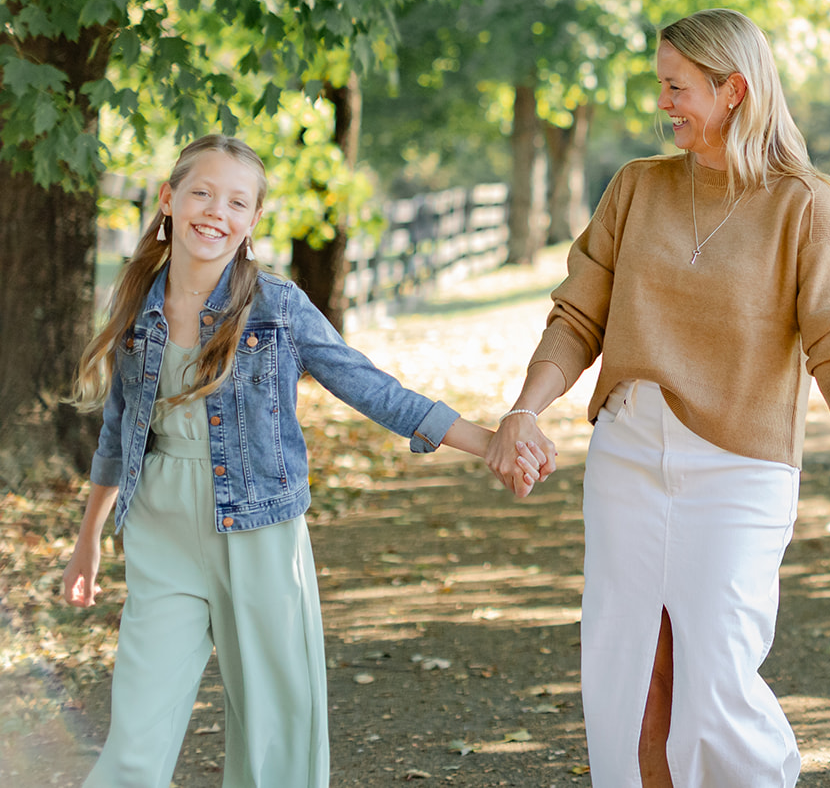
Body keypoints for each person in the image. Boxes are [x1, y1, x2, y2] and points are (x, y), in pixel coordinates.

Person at [484, 8, 830, 788]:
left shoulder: (806, 204)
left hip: (739, 469)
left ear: (734, 90)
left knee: (715, 677)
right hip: (628, 454)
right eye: (662, 84)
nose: (665, 102)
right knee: (631, 675)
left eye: (678, 86)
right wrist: (526, 406)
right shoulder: (637, 187)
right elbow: (578, 314)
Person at [61, 134, 540, 788]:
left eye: (236, 201)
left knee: (275, 737)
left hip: (259, 525)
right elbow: (120, 428)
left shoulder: (277, 305)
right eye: (201, 192)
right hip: (160, 524)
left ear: (253, 220)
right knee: (136, 736)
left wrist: (489, 442)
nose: (215, 211)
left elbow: (368, 385)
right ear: (169, 199)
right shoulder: (138, 302)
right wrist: (89, 536)